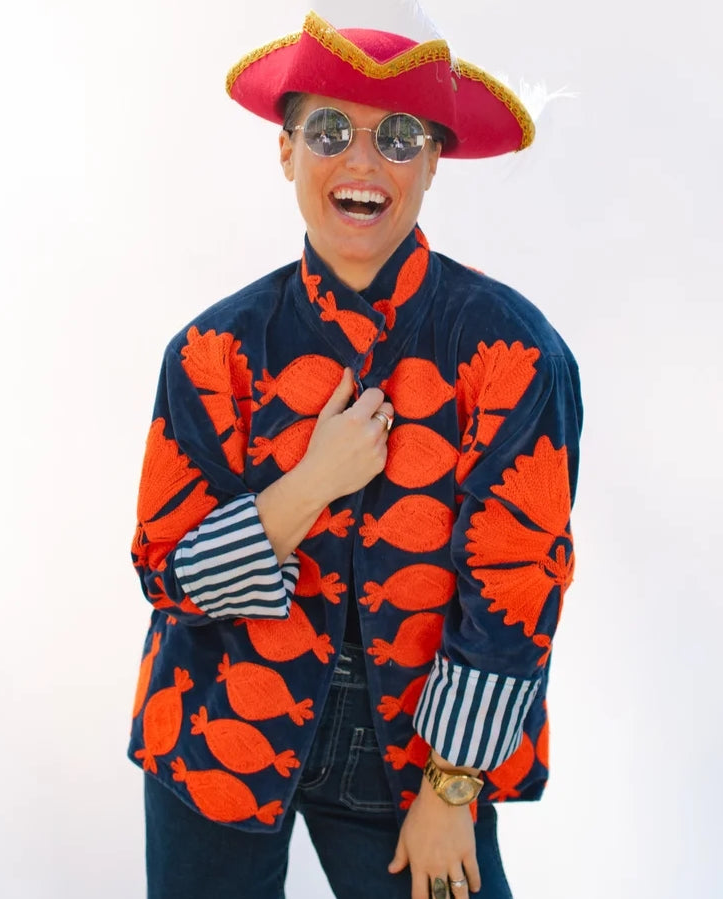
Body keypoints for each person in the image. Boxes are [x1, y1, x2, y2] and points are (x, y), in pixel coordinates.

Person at [128, 10, 582, 899]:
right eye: (330, 130)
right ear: (287, 150)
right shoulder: (213, 350)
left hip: (418, 746)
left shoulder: (511, 352)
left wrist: (451, 788)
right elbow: (166, 569)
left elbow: (519, 581)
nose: (363, 162)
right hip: (216, 722)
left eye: (399, 136)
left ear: (433, 161)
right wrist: (308, 485)